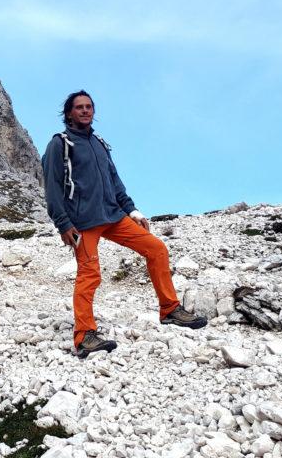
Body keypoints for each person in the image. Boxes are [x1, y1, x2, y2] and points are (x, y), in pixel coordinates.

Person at [42, 90, 206, 358]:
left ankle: (169, 310)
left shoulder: (100, 144)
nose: (85, 111)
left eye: (89, 106)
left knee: (157, 249)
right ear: (69, 113)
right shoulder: (60, 144)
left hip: (114, 216)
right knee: (90, 273)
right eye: (79, 107)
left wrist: (132, 210)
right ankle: (84, 336)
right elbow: (52, 187)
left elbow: (115, 182)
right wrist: (63, 224)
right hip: (84, 223)